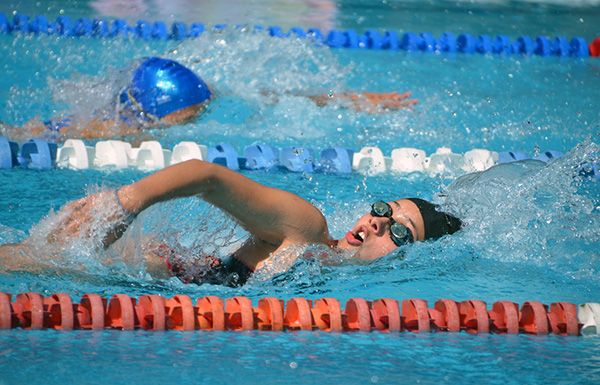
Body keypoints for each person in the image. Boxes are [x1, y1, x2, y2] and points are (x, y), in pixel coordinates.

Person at [0, 159, 462, 286]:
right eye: (383, 210)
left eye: (400, 232)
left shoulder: (334, 280)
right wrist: (120, 207)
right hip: (136, 266)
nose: (379, 224)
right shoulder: (307, 229)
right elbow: (208, 176)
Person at [0, 57, 418, 142]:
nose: (202, 114)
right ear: (158, 112)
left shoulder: (211, 99)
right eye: (193, 111)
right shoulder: (107, 129)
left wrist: (352, 98)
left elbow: (279, 97)